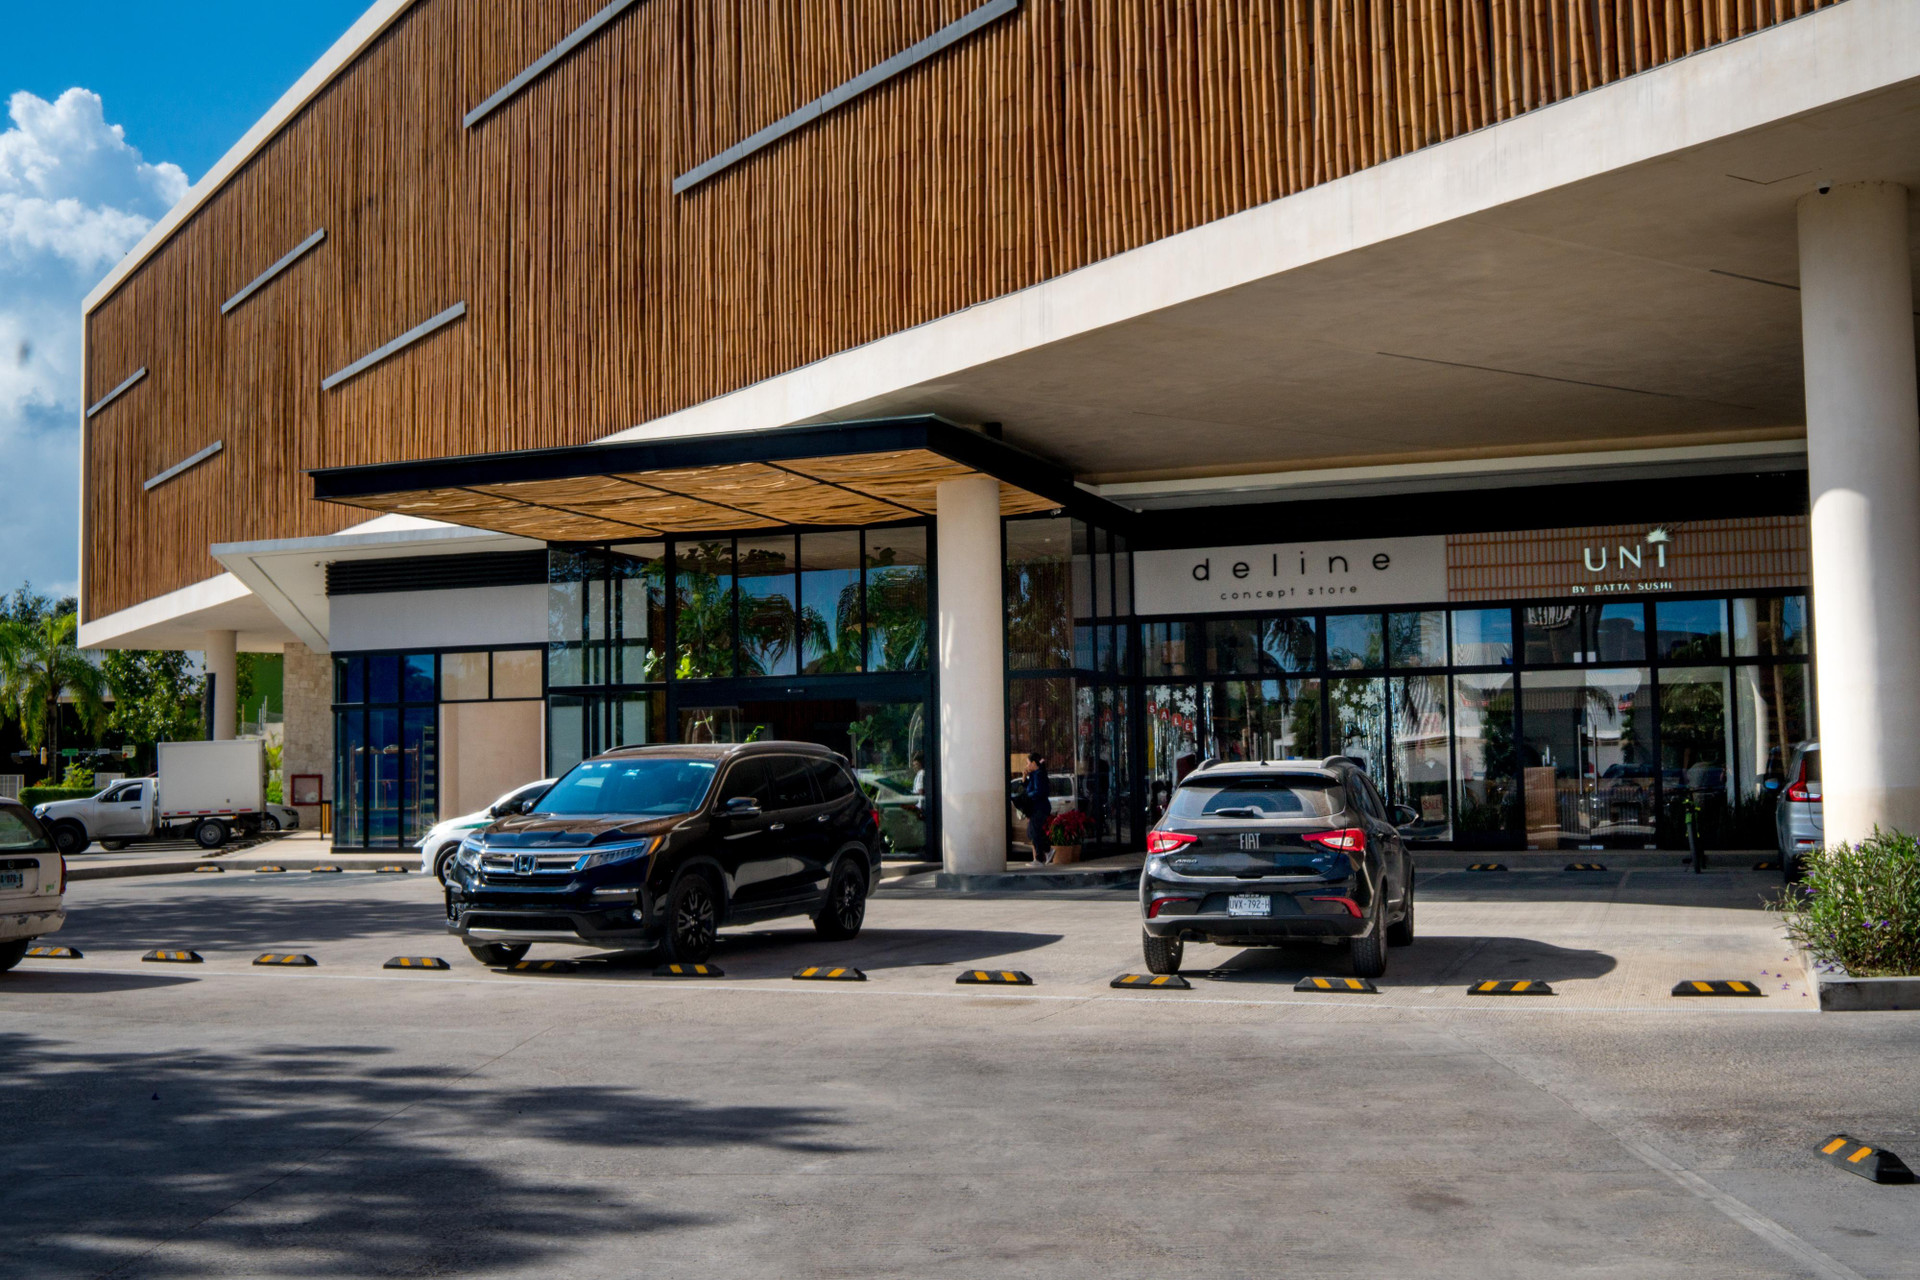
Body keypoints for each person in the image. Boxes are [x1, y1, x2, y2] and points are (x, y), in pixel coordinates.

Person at [1021, 753, 1053, 864]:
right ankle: (1048, 850)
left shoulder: (1039, 774)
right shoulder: (1035, 774)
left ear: (1034, 763)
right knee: (1032, 832)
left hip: (1040, 807)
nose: (1027, 766)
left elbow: (1039, 792)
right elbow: (1029, 788)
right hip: (1037, 807)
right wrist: (1024, 777)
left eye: (1028, 763)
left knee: (1034, 832)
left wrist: (1027, 797)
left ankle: (1040, 858)